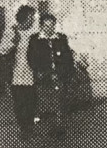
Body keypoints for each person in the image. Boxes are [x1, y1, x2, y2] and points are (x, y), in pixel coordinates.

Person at [27, 12, 74, 140]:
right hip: (44, 77)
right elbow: (32, 59)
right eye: (46, 26)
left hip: (59, 76)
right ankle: (46, 126)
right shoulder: (35, 39)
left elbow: (68, 58)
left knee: (60, 103)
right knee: (46, 102)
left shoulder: (61, 38)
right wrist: (42, 72)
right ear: (41, 26)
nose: (49, 29)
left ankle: (58, 129)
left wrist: (64, 73)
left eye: (52, 26)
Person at [0, 5, 38, 140]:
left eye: (33, 17)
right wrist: (13, 43)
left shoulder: (35, 32)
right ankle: (24, 129)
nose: (33, 20)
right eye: (31, 17)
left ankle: (30, 127)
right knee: (20, 102)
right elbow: (2, 50)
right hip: (16, 74)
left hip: (31, 72)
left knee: (31, 101)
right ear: (24, 18)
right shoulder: (11, 31)